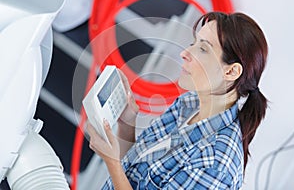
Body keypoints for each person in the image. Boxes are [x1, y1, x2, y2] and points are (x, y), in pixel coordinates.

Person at [86, 11, 268, 189]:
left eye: (203, 49)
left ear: (231, 72)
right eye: (193, 43)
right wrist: (127, 124)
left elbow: (121, 172)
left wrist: (112, 162)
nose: (185, 53)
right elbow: (134, 174)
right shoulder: (189, 104)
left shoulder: (215, 165)